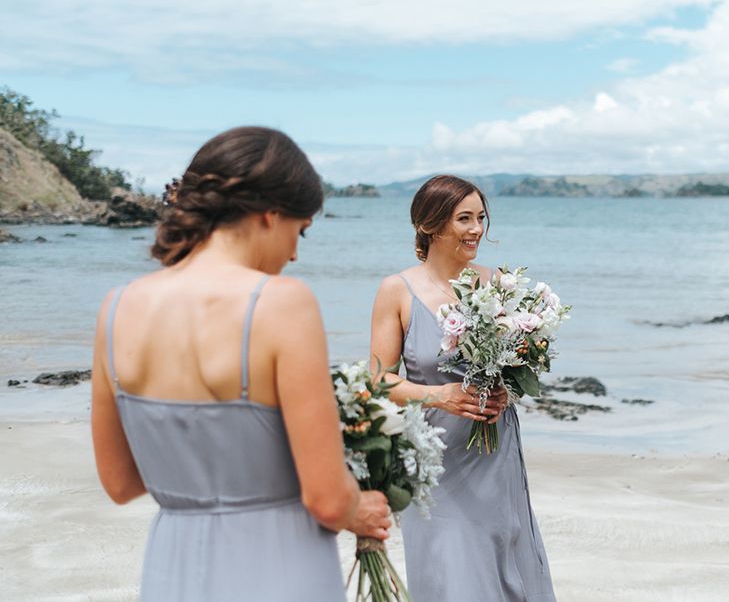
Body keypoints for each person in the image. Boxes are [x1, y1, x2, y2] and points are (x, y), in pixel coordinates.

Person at [91, 127, 391, 602]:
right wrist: (362, 505)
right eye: (301, 231)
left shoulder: (117, 306)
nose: (295, 253)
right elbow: (327, 501)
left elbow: (121, 483)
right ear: (271, 215)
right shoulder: (281, 303)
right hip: (276, 566)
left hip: (173, 568)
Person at [370, 175, 556, 601]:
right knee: (450, 573)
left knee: (503, 565)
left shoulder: (498, 285)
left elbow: (514, 361)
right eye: (464, 218)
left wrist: (508, 389)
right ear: (431, 224)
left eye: (481, 218)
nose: (476, 229)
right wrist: (440, 396)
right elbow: (379, 380)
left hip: (493, 454)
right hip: (434, 458)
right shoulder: (396, 290)